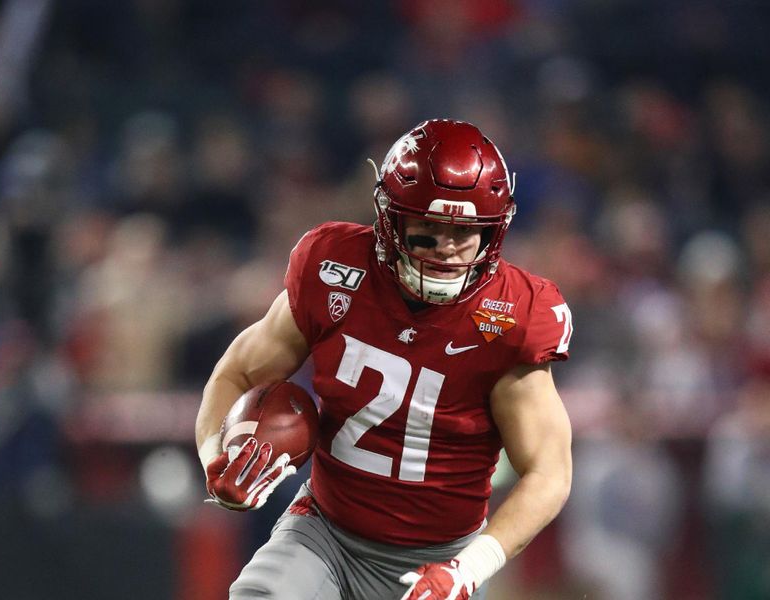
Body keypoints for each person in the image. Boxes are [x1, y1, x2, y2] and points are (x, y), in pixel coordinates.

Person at [195, 119, 573, 600]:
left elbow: (549, 472)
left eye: (463, 232)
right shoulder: (335, 268)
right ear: (391, 220)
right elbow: (239, 371)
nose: (446, 250)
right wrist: (217, 457)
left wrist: (469, 568)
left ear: (493, 230)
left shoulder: (513, 315)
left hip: (438, 560)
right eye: (428, 230)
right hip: (324, 532)